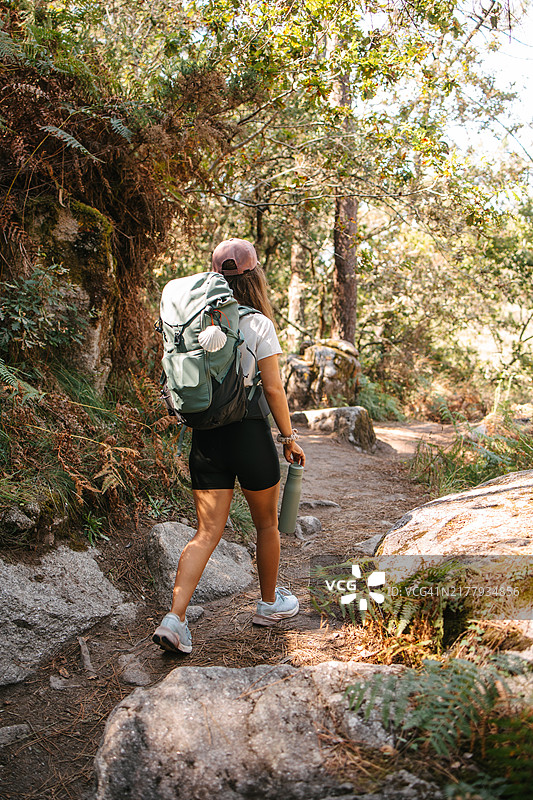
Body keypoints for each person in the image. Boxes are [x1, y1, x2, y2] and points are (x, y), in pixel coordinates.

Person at [153, 238, 305, 654]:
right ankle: (270, 604)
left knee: (205, 533)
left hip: (206, 438)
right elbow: (273, 389)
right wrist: (289, 439)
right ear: (254, 276)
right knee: (267, 526)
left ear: (212, 275)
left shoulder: (193, 322)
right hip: (250, 435)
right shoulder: (257, 323)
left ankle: (174, 619)